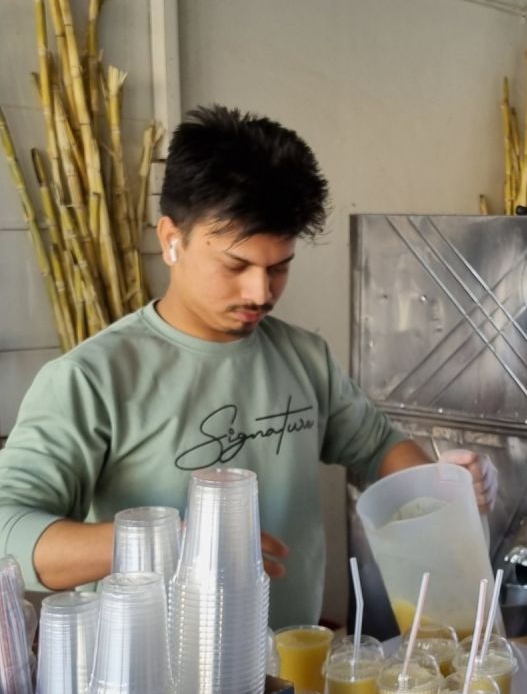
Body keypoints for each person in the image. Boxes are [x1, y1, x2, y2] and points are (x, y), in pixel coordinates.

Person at [0, 106, 496, 627]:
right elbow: (9, 528)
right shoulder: (93, 378)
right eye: (235, 266)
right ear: (172, 239)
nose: (261, 292)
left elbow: (377, 445)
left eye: (279, 268)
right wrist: (173, 540)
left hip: (291, 675)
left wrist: (443, 483)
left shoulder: (304, 358)